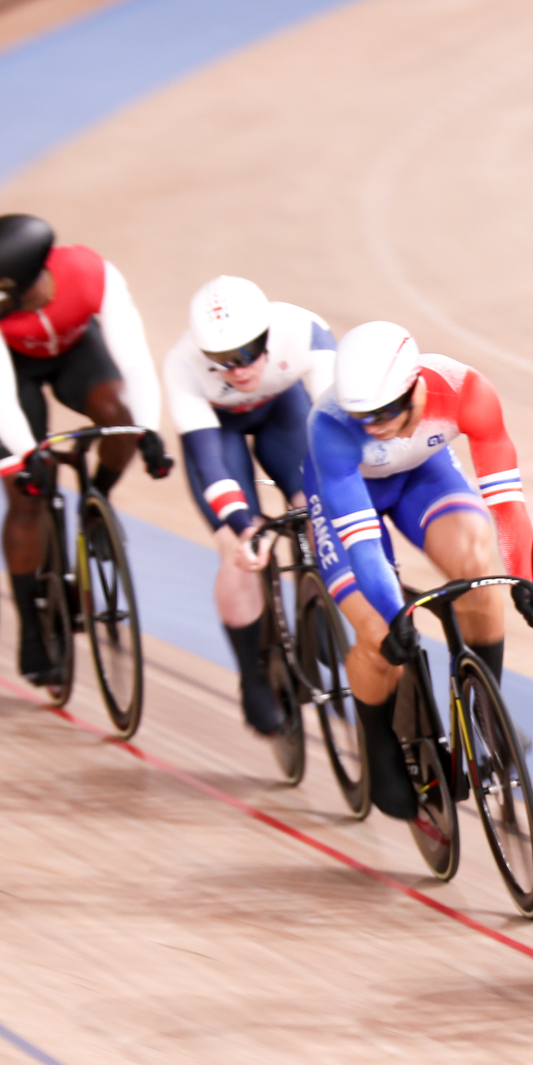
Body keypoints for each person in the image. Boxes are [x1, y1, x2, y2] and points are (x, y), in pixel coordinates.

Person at [305, 321, 533, 821]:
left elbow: (507, 503)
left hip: (422, 477)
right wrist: (394, 614)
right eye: (363, 417)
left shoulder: (464, 391)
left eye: (388, 412)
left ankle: (485, 712)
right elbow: (363, 544)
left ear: (416, 385)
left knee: (476, 567)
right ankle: (378, 744)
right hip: (348, 497)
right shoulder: (329, 427)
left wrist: (527, 577)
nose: (377, 427)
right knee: (375, 631)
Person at [0, 213, 173, 685]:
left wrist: (148, 431)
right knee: (25, 492)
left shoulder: (92, 275)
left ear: (26, 281)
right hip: (16, 373)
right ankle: (31, 628)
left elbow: (134, 362)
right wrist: (26, 454)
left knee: (119, 415)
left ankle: (98, 497)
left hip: (75, 353)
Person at [165, 275, 335, 732]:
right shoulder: (181, 364)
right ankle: (253, 675)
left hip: (284, 412)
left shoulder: (304, 331)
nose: (238, 370)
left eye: (248, 352)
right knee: (237, 549)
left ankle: (323, 601)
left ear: (268, 335)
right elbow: (209, 461)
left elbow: (334, 428)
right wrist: (242, 524)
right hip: (219, 434)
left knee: (319, 507)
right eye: (223, 361)